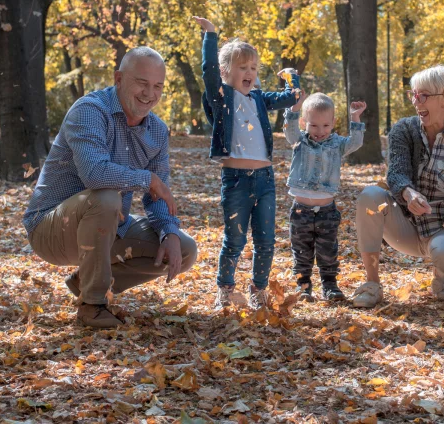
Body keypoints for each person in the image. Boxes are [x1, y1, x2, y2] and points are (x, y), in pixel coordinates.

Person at [23, 47, 198, 328]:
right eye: (142, 82)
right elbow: (94, 174)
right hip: (51, 228)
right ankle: (92, 306)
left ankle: (85, 281)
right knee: (105, 198)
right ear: (119, 78)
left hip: (109, 226)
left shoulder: (157, 131)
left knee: (185, 248)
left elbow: (157, 197)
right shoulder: (90, 111)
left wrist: (169, 231)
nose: (149, 93)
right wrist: (148, 179)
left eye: (157, 86)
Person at [352, 65, 444, 307]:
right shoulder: (404, 130)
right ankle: (372, 284)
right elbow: (396, 174)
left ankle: (442, 278)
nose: (416, 102)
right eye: (414, 95)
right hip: (406, 226)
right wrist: (408, 194)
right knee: (370, 197)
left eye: (424, 96)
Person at [193, 16, 300, 310]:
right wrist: (211, 36)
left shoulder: (259, 99)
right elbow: (208, 72)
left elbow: (291, 97)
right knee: (235, 241)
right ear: (227, 72)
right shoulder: (222, 97)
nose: (249, 72)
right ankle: (225, 290)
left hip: (264, 180)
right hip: (236, 180)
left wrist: (292, 77)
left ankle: (258, 289)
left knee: (265, 242)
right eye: (242, 67)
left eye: (253, 68)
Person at [283, 92, 366, 302]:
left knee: (328, 251)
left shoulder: (337, 144)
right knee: (301, 252)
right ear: (304, 123)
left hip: (327, 211)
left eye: (326, 126)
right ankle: (303, 287)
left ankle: (330, 286)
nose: (320, 132)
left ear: (333, 123)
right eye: (313, 126)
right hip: (301, 210)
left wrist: (355, 118)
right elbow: (290, 130)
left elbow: (355, 143)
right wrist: (294, 109)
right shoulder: (299, 141)